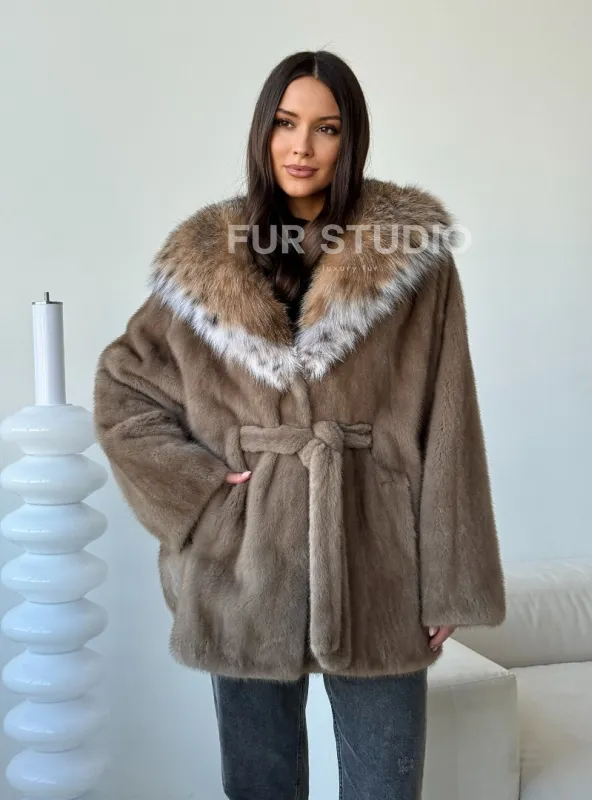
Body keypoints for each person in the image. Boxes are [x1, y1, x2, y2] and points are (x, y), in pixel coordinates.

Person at [93, 50, 506, 800]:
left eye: (326, 128)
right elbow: (124, 387)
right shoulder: (205, 259)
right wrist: (203, 496)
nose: (302, 147)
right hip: (244, 563)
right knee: (259, 785)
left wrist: (451, 581)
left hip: (379, 558)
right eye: (286, 124)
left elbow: (450, 422)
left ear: (352, 140)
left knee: (385, 786)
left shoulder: (413, 260)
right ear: (263, 131)